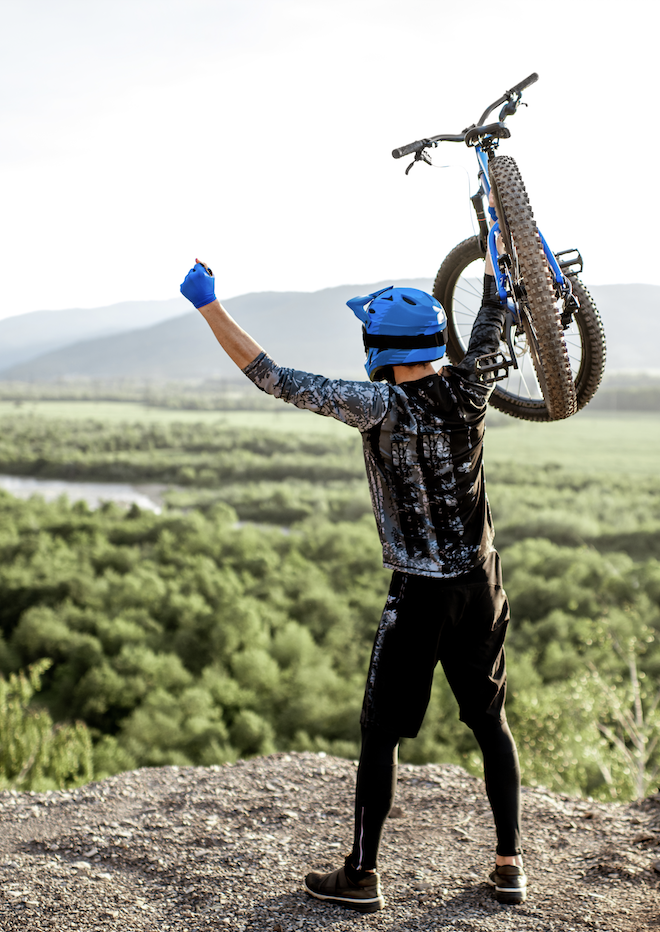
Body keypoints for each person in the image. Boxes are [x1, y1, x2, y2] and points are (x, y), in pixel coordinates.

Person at [179, 260, 525, 913]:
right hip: (481, 584)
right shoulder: (470, 387)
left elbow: (274, 378)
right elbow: (488, 323)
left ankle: (362, 876)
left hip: (418, 595)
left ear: (380, 348)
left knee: (380, 734)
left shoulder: (378, 405)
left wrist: (209, 306)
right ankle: (509, 866)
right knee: (489, 721)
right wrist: (495, 277)